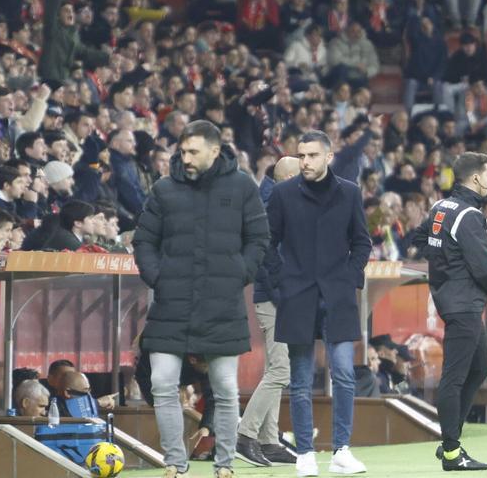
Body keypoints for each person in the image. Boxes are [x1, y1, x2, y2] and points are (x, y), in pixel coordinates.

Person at [133, 120, 269, 478]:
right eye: (183, 151)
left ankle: (224, 465)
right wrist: (159, 278)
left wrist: (240, 272)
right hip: (170, 304)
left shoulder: (242, 186)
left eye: (193, 151)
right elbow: (144, 241)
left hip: (222, 304)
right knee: (162, 383)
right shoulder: (164, 189)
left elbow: (259, 237)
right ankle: (175, 463)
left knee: (225, 388)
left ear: (214, 150)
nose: (186, 158)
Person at [266, 130, 372, 477]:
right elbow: (267, 243)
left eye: (312, 155)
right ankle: (305, 454)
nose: (305, 162)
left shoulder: (350, 192)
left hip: (337, 296)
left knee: (344, 374)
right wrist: (282, 281)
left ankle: (341, 450)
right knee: (300, 380)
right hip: (297, 295)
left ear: (328, 156)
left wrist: (350, 279)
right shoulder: (282, 194)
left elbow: (362, 242)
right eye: (301, 155)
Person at [412, 152, 487, 471]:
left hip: (455, 300)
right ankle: (452, 451)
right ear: (475, 178)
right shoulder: (469, 215)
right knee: (454, 377)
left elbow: (419, 238)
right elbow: (483, 264)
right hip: (464, 304)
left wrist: (444, 266)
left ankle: (451, 439)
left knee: (479, 367)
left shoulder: (441, 207)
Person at [236, 157, 300, 467]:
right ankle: (245, 435)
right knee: (280, 371)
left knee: (276, 368)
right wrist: (280, 294)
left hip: (279, 297)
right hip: (275, 299)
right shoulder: (272, 204)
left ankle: (269, 440)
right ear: (287, 177)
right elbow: (266, 258)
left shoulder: (277, 201)